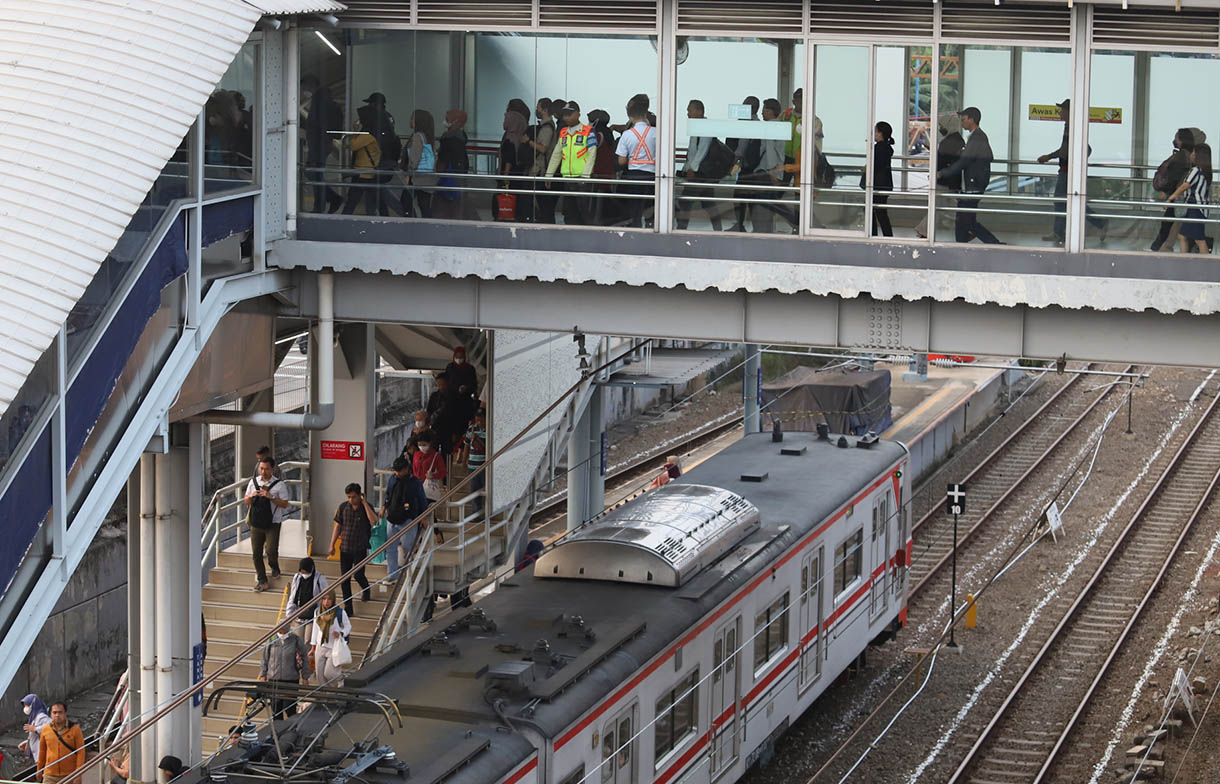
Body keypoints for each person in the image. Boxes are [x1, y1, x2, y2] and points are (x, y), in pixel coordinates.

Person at [1037, 99, 1107, 244]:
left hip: (1067, 171)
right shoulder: (1073, 126)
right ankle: (1062, 232)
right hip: (1068, 170)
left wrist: (1048, 157)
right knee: (1067, 202)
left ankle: (1060, 233)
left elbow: (1065, 150)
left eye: (1062, 109)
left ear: (1069, 111)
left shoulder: (1072, 126)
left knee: (1061, 200)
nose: (1060, 112)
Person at [938, 107, 1001, 244]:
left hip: (973, 184)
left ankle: (964, 246)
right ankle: (994, 244)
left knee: (963, 220)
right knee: (968, 221)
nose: (961, 122)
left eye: (964, 119)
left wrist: (943, 173)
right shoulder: (976, 137)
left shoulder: (978, 137)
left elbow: (964, 161)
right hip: (973, 183)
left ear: (972, 120)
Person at [676, 100, 725, 232]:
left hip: (700, 173)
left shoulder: (705, 127)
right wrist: (686, 168)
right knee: (708, 203)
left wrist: (692, 168)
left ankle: (681, 228)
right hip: (702, 173)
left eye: (690, 110)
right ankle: (718, 229)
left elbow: (702, 150)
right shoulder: (696, 127)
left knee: (685, 201)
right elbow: (693, 150)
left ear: (700, 111)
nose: (688, 114)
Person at [546, 103, 598, 226]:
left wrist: (585, 176)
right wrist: (548, 175)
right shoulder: (563, 132)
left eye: (570, 114)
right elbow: (556, 154)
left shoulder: (588, 131)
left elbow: (592, 154)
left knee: (584, 213)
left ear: (578, 114)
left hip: (583, 180)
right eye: (565, 115)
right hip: (568, 179)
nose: (567, 117)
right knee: (569, 213)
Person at [329, 483, 376, 617]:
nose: (351, 500)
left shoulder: (366, 507)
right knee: (345, 579)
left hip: (360, 548)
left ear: (359, 495)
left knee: (358, 575)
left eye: (353, 497)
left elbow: (373, 520)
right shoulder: (343, 507)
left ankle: (366, 589)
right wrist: (331, 544)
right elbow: (337, 527)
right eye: (349, 497)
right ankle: (348, 607)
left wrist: (365, 503)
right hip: (345, 548)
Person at [245, 456, 290, 592]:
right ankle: (262, 580)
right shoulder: (253, 482)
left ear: (273, 469)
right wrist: (252, 496)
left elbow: (285, 504)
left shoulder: (279, 485)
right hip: (256, 522)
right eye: (261, 468)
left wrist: (271, 497)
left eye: (267, 469)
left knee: (271, 550)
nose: (263, 472)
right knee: (256, 553)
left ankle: (274, 566)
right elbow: (246, 500)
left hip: (273, 522)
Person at [915, 117, 965, 239]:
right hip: (949, 180)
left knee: (938, 207)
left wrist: (937, 173)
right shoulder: (956, 139)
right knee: (939, 207)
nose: (941, 129)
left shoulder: (950, 141)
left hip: (945, 180)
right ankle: (924, 231)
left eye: (942, 126)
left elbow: (944, 160)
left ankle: (968, 227)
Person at [1150, 128, 1196, 252]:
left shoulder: (1181, 156)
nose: (1174, 140)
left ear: (1181, 141)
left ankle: (1158, 247)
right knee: (1175, 222)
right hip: (1183, 194)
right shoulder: (1190, 154)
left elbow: (1174, 176)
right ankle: (1163, 246)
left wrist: (1166, 192)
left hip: (1176, 193)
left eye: (1176, 138)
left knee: (1168, 222)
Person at [616, 94, 658, 229]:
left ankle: (636, 231)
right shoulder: (656, 132)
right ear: (646, 113)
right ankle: (651, 229)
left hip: (633, 177)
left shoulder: (627, 134)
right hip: (652, 176)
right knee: (651, 207)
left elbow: (621, 161)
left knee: (634, 210)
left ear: (630, 116)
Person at [382, 457, 428, 578]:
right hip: (392, 518)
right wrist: (383, 508)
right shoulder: (393, 479)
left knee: (408, 546)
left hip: (408, 519)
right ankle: (392, 574)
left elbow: (422, 500)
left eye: (399, 471)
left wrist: (423, 517)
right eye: (396, 471)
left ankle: (409, 573)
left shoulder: (415, 482)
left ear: (406, 469)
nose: (397, 473)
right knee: (390, 548)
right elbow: (388, 495)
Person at [750, 99, 791, 234]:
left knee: (764, 205)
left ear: (770, 111)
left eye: (764, 110)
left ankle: (761, 232)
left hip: (767, 172)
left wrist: (772, 172)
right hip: (775, 171)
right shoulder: (780, 126)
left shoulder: (770, 127)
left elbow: (770, 151)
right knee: (770, 203)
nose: (762, 113)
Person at [303, 77, 343, 213]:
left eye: (305, 87)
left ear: (311, 85)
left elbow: (316, 123)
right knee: (313, 174)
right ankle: (331, 199)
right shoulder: (325, 100)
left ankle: (321, 206)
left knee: (315, 174)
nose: (304, 91)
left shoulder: (319, 101)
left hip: (319, 143)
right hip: (323, 142)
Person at [1166, 142, 1213, 254]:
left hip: (1195, 208)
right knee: (1182, 236)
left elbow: (1185, 185)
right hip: (1198, 208)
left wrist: (1170, 198)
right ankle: (1185, 260)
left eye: (1193, 152)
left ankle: (1207, 265)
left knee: (1199, 239)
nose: (1191, 154)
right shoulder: (1206, 171)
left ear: (1198, 155)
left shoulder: (1196, 170)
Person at [727, 96, 762, 232]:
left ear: (752, 108)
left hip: (748, 166)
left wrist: (735, 159)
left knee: (743, 195)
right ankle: (746, 225)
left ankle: (744, 225)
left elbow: (743, 145)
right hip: (748, 165)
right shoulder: (752, 122)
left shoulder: (750, 123)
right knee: (745, 196)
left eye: (745, 106)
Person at [258, 626, 310, 718]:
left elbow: (304, 658)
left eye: (283, 630)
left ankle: (292, 728)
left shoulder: (295, 639)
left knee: (289, 708)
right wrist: (263, 674)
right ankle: (277, 729)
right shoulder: (272, 639)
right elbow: (265, 658)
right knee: (276, 709)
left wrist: (305, 677)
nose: (281, 632)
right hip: (274, 679)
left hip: (291, 679)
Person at [340, 105, 382, 216]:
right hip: (367, 171)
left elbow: (353, 145)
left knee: (353, 199)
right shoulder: (371, 133)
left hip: (363, 172)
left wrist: (355, 131)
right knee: (373, 199)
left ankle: (344, 218)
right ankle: (379, 215)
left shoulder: (367, 135)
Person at [433, 109, 475, 220]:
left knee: (444, 207)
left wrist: (438, 167)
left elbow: (444, 158)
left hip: (450, 176)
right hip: (459, 175)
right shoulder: (460, 137)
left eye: (447, 119)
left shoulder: (449, 138)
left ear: (455, 121)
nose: (444, 121)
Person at [310, 591, 352, 688]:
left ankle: (339, 682)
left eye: (329, 599)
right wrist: (313, 647)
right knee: (320, 675)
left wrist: (341, 633)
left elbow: (348, 626)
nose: (326, 602)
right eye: (324, 599)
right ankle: (325, 697)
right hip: (321, 646)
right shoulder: (318, 612)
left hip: (334, 647)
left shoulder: (340, 612)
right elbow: (315, 629)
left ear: (333, 600)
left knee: (329, 673)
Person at [401, 109, 438, 218]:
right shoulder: (428, 136)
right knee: (424, 205)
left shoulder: (417, 136)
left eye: (412, 118)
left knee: (405, 201)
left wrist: (409, 173)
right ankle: (426, 226)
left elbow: (414, 158)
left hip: (416, 178)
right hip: (426, 177)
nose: (410, 120)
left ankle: (412, 223)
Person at [37, 701, 84, 784]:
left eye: (60, 712)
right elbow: (42, 751)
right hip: (50, 774)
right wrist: (39, 770)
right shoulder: (45, 729)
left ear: (65, 713)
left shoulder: (75, 729)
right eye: (54, 712)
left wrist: (78, 773)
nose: (57, 715)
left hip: (70, 774)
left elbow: (81, 752)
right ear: (50, 714)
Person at [528, 98, 559, 224]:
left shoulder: (547, 128)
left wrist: (528, 142)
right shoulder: (547, 126)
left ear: (545, 110)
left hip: (541, 170)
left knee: (544, 206)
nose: (537, 110)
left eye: (538, 107)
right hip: (543, 170)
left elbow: (543, 148)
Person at [499, 108, 532, 221]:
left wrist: (505, 175)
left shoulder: (510, 138)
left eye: (506, 119)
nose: (504, 122)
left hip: (509, 175)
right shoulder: (521, 136)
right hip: (519, 172)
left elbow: (509, 158)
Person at [863, 121, 895, 237]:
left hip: (877, 184)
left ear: (881, 133)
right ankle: (886, 235)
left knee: (874, 211)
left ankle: (874, 234)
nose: (874, 134)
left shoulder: (879, 148)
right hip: (885, 184)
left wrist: (866, 169)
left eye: (875, 131)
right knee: (880, 211)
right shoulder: (887, 148)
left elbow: (876, 165)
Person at [426, 372, 465, 455]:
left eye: (443, 384)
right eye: (438, 385)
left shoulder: (455, 397)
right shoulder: (434, 396)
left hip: (449, 430)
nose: (441, 387)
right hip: (435, 429)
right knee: (432, 452)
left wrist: (456, 433)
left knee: (447, 453)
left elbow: (459, 416)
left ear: (447, 383)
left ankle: (446, 467)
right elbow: (429, 412)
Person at [284, 557, 328, 630]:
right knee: (298, 637)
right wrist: (289, 615)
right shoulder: (297, 577)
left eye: (306, 572)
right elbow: (293, 596)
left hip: (313, 615)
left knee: (308, 639)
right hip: (299, 614)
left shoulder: (320, 579)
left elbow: (326, 595)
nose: (304, 574)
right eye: (302, 572)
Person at [459, 407, 487, 515]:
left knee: (486, 490)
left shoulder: (490, 429)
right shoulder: (471, 429)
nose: (479, 422)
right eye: (478, 419)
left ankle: (488, 511)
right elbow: (466, 446)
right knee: (474, 490)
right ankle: (477, 513)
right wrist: (464, 461)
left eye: (482, 419)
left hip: (485, 465)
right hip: (472, 465)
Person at [413, 431, 447, 502]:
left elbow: (443, 472)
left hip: (428, 489)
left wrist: (433, 475)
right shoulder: (416, 455)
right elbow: (414, 471)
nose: (421, 447)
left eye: (424, 444)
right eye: (419, 444)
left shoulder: (436, 456)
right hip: (416, 488)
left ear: (430, 443)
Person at [19, 694, 51, 764]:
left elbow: (51, 727)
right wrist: (26, 743)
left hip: (44, 755)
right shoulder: (34, 718)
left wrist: (36, 729)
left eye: (27, 705)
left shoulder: (41, 716)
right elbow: (35, 735)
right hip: (39, 755)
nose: (25, 708)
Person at [445, 345, 479, 410]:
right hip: (451, 400)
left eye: (461, 357)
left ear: (464, 357)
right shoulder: (450, 367)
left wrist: (466, 388)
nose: (458, 359)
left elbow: (474, 385)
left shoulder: (469, 368)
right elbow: (447, 382)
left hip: (465, 400)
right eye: (457, 356)